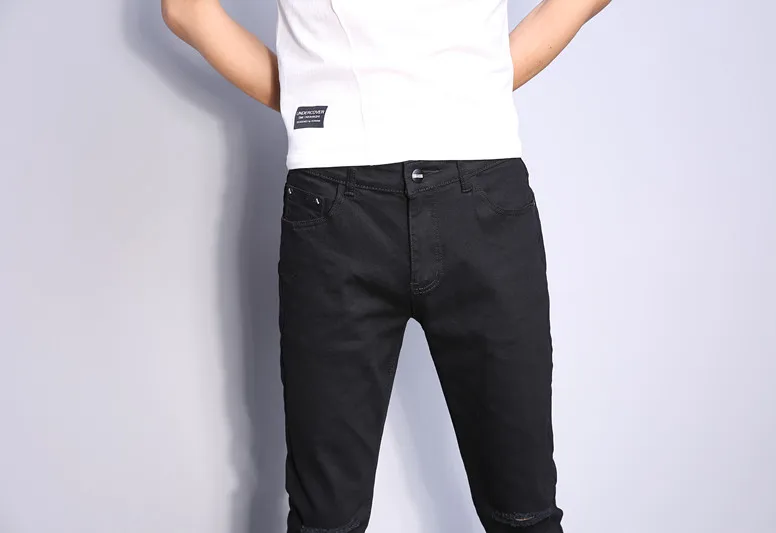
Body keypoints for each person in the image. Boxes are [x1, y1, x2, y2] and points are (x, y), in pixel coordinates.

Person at [162, 0, 611, 531]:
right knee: (509, 516)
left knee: (514, 513)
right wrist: (316, 106)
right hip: (376, 202)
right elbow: (186, 9)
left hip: (412, 199)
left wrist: (330, 108)